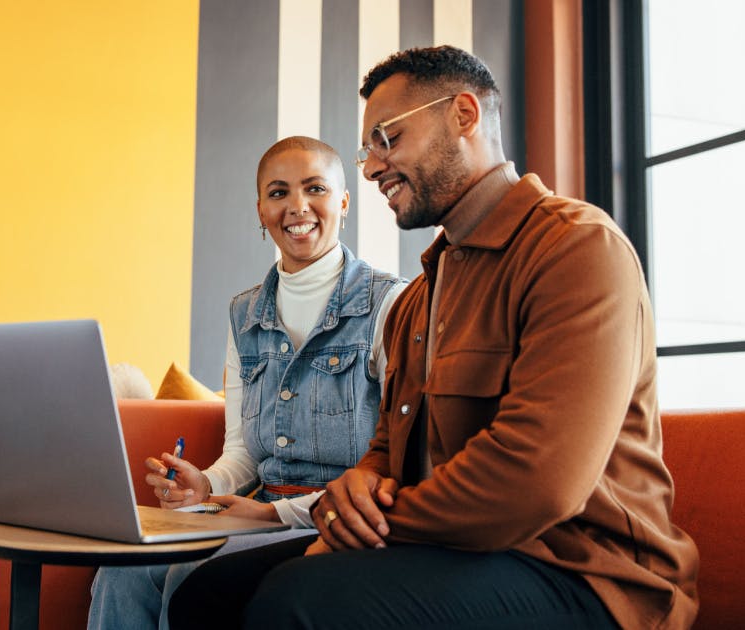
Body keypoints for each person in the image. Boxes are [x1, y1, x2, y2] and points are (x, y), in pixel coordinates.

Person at [168, 46, 700, 629]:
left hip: (585, 576)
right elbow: (387, 453)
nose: (370, 167)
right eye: (367, 149)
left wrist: (357, 524)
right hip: (450, 552)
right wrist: (360, 485)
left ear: (464, 115)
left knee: (299, 601)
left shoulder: (576, 249)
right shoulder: (420, 296)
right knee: (206, 594)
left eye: (387, 139)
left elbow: (537, 483)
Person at [86, 136, 406, 629]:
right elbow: (242, 453)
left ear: (343, 201)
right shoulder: (243, 313)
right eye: (278, 193)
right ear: (260, 210)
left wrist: (270, 517)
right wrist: (205, 484)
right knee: (121, 572)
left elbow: (396, 461)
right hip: (252, 510)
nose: (297, 206)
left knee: (190, 577)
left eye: (314, 188)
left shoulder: (391, 303)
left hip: (338, 516)